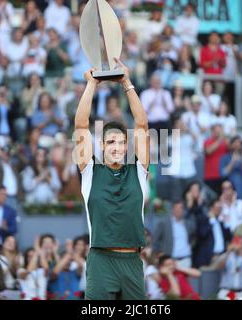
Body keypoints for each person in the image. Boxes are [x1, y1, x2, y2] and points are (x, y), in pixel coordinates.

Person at [75, 59, 149, 300]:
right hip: (100, 260)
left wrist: (127, 81)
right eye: (110, 142)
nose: (116, 147)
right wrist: (91, 84)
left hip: (132, 260)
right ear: (101, 146)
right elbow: (80, 125)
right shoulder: (90, 171)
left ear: (127, 146)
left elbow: (141, 125)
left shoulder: (138, 170)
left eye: (121, 142)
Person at [153, 201, 196, 268]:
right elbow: (155, 239)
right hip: (171, 260)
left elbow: (194, 236)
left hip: (186, 259)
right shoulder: (165, 223)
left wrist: (191, 245)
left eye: (181, 208)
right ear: (173, 209)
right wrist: (160, 252)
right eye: (177, 208)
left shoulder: (187, 224)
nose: (179, 210)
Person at [194, 198, 232, 268]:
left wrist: (227, 222)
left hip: (221, 257)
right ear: (211, 208)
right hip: (209, 258)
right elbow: (202, 234)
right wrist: (211, 220)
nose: (219, 211)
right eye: (217, 208)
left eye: (220, 208)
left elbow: (229, 237)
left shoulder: (221, 223)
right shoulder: (203, 220)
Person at [216, 235, 242, 300]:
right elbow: (218, 267)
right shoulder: (226, 255)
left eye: (239, 243)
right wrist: (228, 252)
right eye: (235, 243)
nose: (236, 245)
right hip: (226, 291)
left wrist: (241, 251)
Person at [0, 235, 22, 299]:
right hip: (3, 291)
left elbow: (21, 276)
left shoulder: (20, 258)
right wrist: (10, 264)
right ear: (3, 243)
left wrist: (18, 265)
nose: (10, 243)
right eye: (8, 241)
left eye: (13, 242)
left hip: (16, 291)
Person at [204, 123, 229, 195]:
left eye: (219, 131)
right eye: (216, 131)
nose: (218, 133)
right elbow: (208, 151)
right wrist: (220, 140)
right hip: (210, 176)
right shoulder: (208, 141)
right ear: (212, 132)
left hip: (222, 175)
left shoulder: (225, 141)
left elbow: (231, 148)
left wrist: (225, 139)